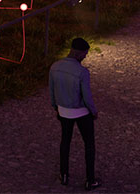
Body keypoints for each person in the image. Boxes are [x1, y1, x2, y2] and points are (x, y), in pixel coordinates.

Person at [49, 37, 100, 191]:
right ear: (78, 54)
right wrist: (93, 111)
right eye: (85, 54)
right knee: (89, 144)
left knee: (65, 142)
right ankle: (90, 180)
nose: (85, 57)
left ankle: (64, 175)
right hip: (81, 112)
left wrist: (56, 107)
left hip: (63, 111)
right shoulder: (82, 72)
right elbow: (87, 96)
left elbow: (52, 91)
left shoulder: (55, 67)